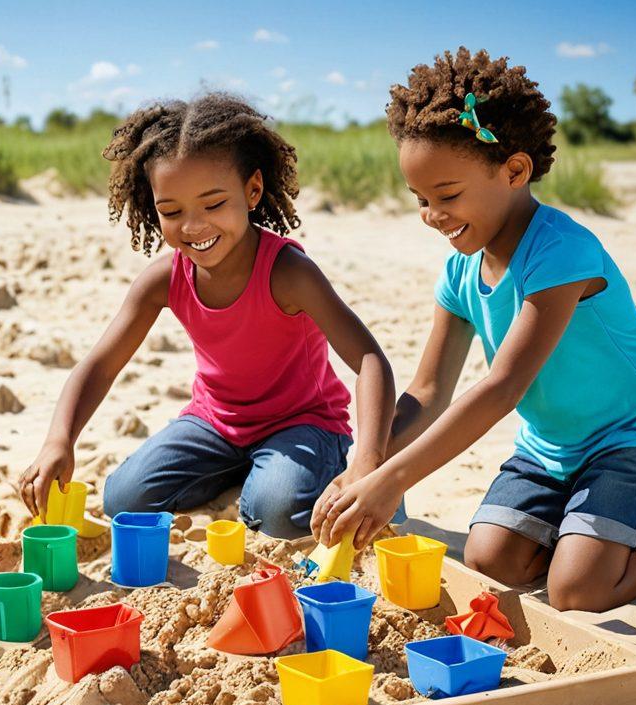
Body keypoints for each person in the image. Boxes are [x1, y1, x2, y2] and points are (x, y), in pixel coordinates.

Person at [313, 49, 636, 611]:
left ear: (514, 171)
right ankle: (594, 524)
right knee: (492, 562)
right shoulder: (461, 269)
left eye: (448, 195)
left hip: (635, 437)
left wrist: (392, 482)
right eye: (420, 200)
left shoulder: (561, 253)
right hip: (551, 446)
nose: (433, 215)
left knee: (576, 591)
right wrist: (367, 463)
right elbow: (430, 391)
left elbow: (503, 386)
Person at [19, 93, 394, 541]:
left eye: (214, 204)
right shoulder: (163, 279)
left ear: (252, 190)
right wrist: (59, 440)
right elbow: (100, 364)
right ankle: (251, 470)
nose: (194, 227)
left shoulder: (289, 274)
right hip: (215, 422)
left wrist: (369, 463)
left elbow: (370, 359)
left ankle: (285, 472)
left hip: (302, 423)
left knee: (272, 513)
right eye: (172, 212)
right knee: (124, 500)